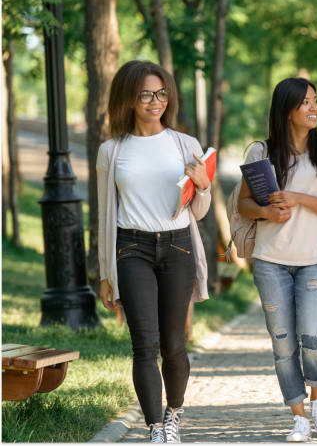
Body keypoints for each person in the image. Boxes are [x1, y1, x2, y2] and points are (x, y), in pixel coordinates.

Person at [97, 60, 212, 443]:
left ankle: (174, 412)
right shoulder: (111, 151)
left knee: (174, 345)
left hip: (177, 245)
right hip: (131, 247)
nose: (154, 101)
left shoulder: (185, 145)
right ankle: (155, 428)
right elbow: (104, 215)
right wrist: (104, 273)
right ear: (129, 99)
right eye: (145, 94)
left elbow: (198, 210)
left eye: (161, 93)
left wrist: (204, 185)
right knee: (144, 344)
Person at [237, 78, 317, 443]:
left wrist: (299, 197)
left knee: (312, 335)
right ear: (286, 110)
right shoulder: (261, 152)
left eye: (316, 100)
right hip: (270, 260)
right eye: (305, 103)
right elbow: (243, 205)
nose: (314, 108)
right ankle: (298, 415)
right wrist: (268, 213)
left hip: (315, 258)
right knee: (283, 341)